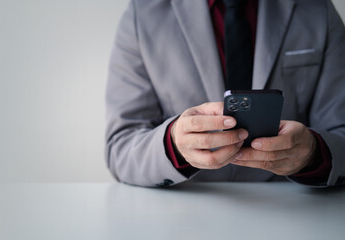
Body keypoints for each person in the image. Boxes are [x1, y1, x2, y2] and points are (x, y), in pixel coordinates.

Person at [105, 0, 345, 187]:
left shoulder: (318, 9)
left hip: (295, 212)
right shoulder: (143, 15)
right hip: (184, 212)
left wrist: (313, 153)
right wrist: (173, 144)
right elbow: (120, 147)